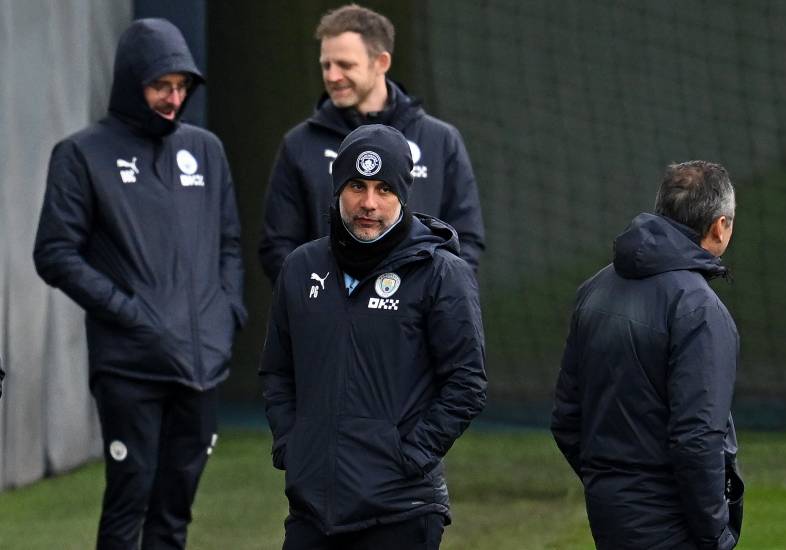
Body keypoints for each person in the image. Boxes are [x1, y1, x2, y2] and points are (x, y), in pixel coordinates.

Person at [33, 19, 246, 549]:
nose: (173, 99)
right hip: (130, 366)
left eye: (181, 87)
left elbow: (228, 245)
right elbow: (54, 253)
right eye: (160, 86)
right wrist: (131, 314)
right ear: (132, 82)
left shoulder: (207, 151)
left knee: (175, 511)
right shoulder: (81, 155)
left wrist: (228, 313)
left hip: (201, 366)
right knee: (131, 500)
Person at [259, 124, 487, 549]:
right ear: (336, 189)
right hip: (312, 510)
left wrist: (411, 456)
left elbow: (466, 383)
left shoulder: (441, 273)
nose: (368, 203)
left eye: (384, 189)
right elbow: (276, 371)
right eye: (356, 186)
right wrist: (294, 445)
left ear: (403, 194)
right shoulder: (300, 267)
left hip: (401, 510)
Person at [551, 160, 744, 550]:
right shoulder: (698, 309)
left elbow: (566, 419)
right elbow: (698, 438)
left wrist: (611, 486)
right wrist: (716, 535)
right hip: (673, 523)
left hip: (610, 513)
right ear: (719, 226)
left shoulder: (594, 289)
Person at [259, 3, 485, 285]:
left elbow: (466, 238)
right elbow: (278, 245)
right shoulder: (299, 144)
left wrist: (433, 298)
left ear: (381, 62)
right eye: (326, 65)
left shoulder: (440, 140)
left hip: (414, 320)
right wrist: (314, 301)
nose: (332, 76)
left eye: (345, 65)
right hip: (328, 322)